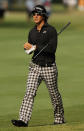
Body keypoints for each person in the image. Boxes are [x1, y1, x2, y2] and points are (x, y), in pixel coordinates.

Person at [11, 5, 65, 127]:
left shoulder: (51, 30)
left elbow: (52, 49)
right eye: (34, 14)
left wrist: (33, 47)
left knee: (54, 95)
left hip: (49, 67)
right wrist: (27, 49)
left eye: (38, 14)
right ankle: (23, 120)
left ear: (44, 16)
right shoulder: (32, 32)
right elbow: (30, 51)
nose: (35, 16)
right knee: (29, 92)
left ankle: (59, 117)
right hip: (34, 66)